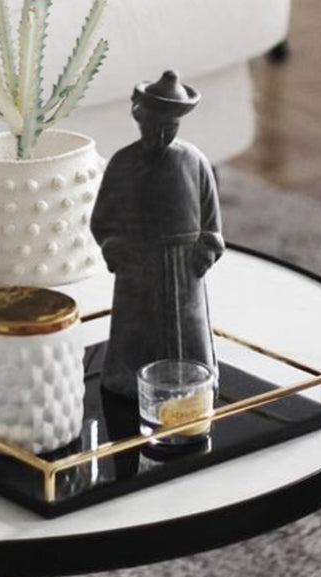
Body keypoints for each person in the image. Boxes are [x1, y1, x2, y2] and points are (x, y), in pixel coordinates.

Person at [90, 70, 224, 398]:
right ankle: (127, 382)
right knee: (134, 331)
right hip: (137, 264)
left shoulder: (194, 161)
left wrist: (204, 251)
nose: (162, 134)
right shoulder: (122, 164)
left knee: (189, 332)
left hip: (185, 265)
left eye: (171, 127)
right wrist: (117, 250)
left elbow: (212, 222)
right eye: (155, 125)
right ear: (140, 118)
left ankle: (193, 384)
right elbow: (102, 220)